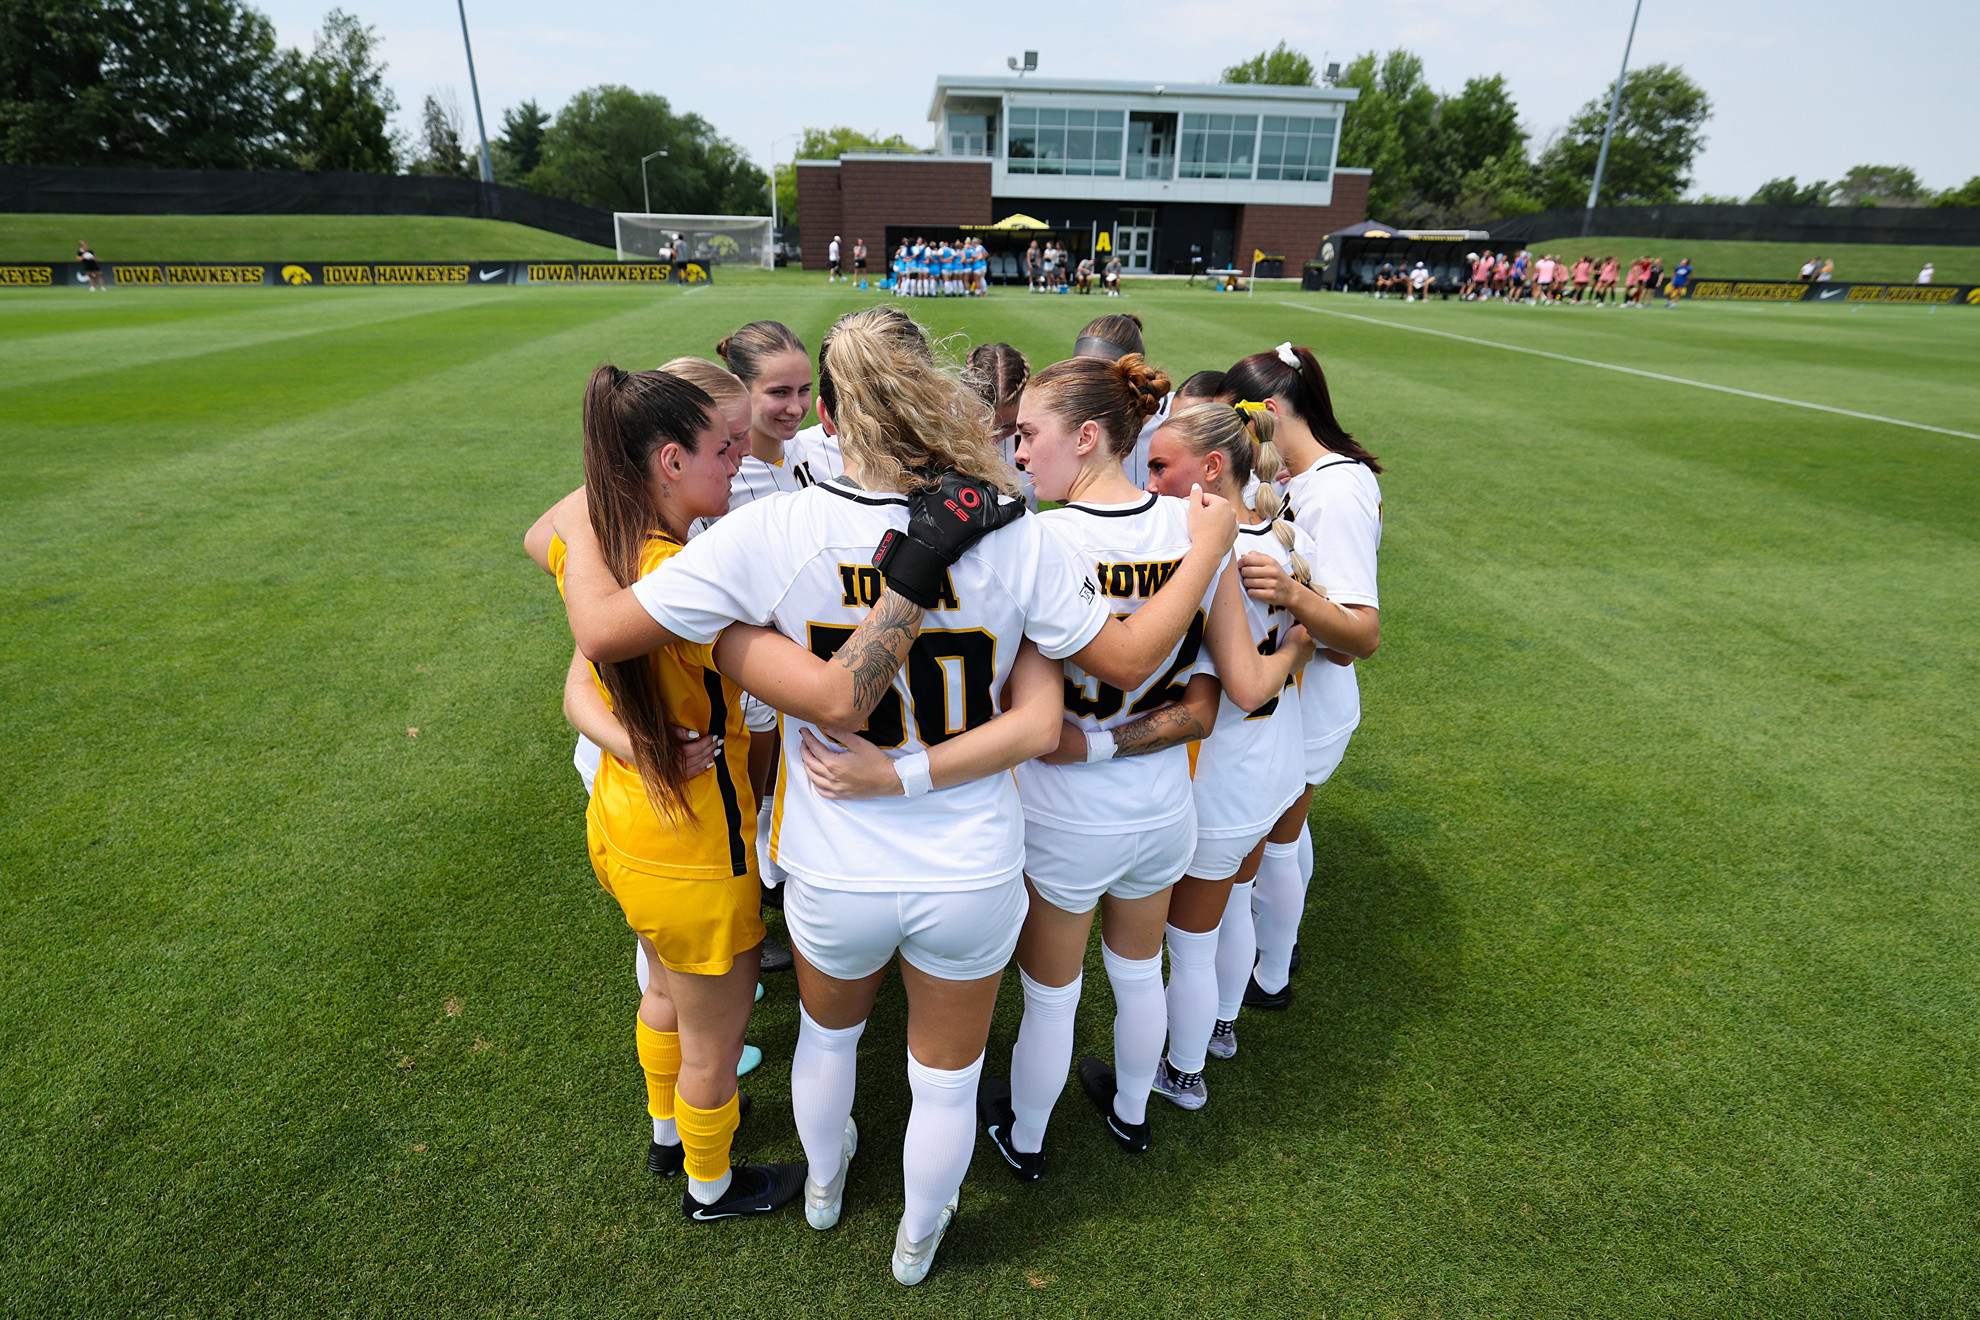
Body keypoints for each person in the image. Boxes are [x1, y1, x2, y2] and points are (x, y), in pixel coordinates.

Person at [553, 306, 1238, 1284]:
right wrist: (1210, 546)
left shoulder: (775, 528)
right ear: (933, 396)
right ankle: (918, 1242)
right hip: (971, 858)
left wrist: (591, 511)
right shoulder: (1015, 529)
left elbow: (609, 631)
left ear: (828, 414)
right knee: (946, 1081)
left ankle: (827, 1195)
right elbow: (1125, 655)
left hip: (837, 859)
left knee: (828, 1045)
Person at [528, 364, 942, 1222]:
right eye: (722, 451)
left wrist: (634, 750)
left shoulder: (595, 548)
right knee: (714, 1043)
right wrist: (917, 576)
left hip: (622, 828)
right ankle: (711, 1186)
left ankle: (666, 1131)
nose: (737, 466)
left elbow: (555, 568)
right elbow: (836, 696)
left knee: (665, 993)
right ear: (669, 462)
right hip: (697, 850)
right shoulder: (691, 593)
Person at [1140, 402, 1315, 1103]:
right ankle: (1220, 1025)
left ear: (1213, 468)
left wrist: (1297, 645)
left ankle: (1182, 1072)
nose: (1150, 481)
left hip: (1226, 780)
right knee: (1233, 905)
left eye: (1160, 466)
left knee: (1188, 940)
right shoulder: (1274, 530)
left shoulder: (1217, 553)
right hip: (1273, 765)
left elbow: (1243, 685)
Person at [1218, 343, 1382, 1016]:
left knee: (1276, 842)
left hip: (1310, 698)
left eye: (1241, 418)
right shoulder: (1311, 476)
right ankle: (1274, 952)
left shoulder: (1334, 491)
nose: (1236, 434)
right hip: (1301, 693)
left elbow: (1361, 632)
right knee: (1288, 834)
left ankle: (1271, 975)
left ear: (1274, 411)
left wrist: (1290, 593)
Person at [1075, 313, 1165, 490]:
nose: (1086, 382)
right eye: (1079, 371)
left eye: (1098, 374)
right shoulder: (1072, 426)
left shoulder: (1167, 433)